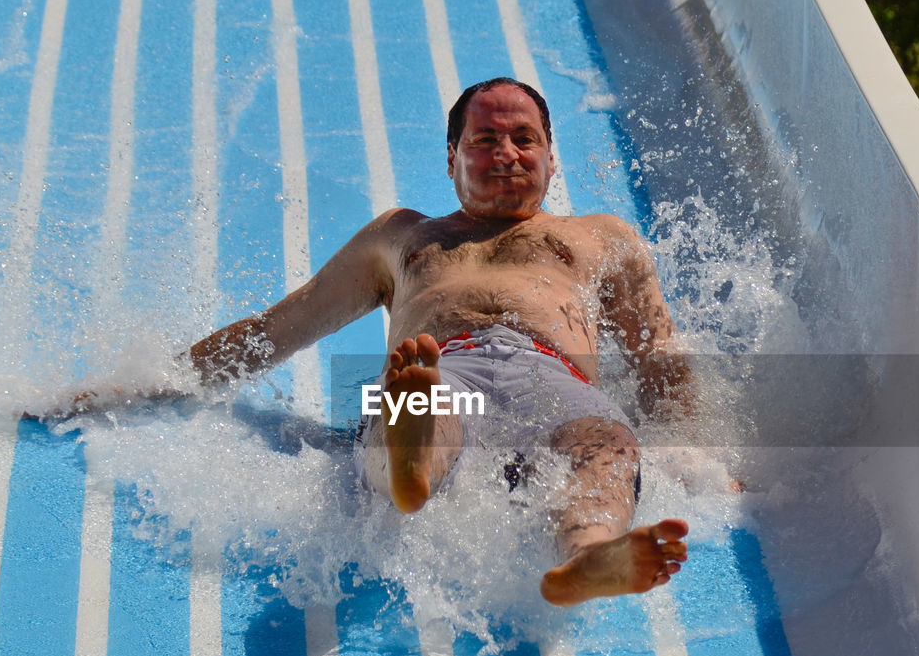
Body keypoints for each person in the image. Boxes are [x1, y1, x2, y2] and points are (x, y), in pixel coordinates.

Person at [182, 77, 705, 607]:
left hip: (554, 382)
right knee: (422, 399)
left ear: (552, 158)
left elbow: (663, 369)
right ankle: (412, 464)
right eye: (484, 140)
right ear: (451, 158)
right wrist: (160, 378)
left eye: (525, 139)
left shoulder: (602, 236)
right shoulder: (403, 236)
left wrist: (701, 459)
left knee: (604, 441)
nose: (506, 154)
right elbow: (275, 330)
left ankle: (588, 554)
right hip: (442, 369)